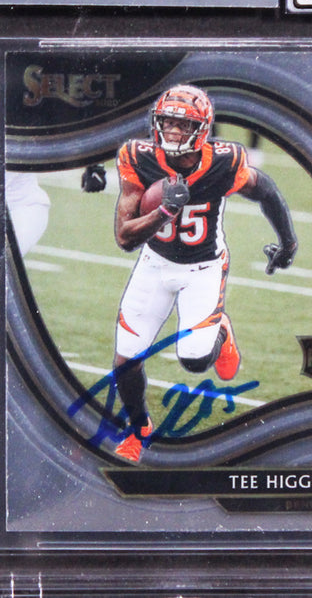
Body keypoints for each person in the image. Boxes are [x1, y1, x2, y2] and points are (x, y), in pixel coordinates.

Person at [112, 84, 297, 462]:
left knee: (195, 359)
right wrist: (164, 212)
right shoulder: (138, 157)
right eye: (167, 122)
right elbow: (124, 237)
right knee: (125, 360)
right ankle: (138, 428)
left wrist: (288, 243)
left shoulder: (224, 162)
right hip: (154, 263)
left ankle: (220, 331)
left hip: (203, 267)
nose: (172, 131)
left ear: (202, 129)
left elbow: (265, 189)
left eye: (182, 125)